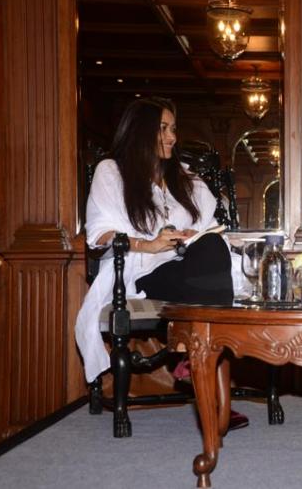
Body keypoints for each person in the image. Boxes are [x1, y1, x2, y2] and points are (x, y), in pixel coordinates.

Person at [75, 97, 247, 429]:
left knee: (212, 246)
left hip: (186, 266)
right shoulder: (112, 172)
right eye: (164, 129)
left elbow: (210, 223)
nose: (172, 137)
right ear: (141, 132)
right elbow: (100, 234)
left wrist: (191, 235)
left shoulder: (185, 178)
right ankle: (206, 378)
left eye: (173, 129)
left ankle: (195, 361)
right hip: (141, 272)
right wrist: (150, 244)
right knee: (211, 280)